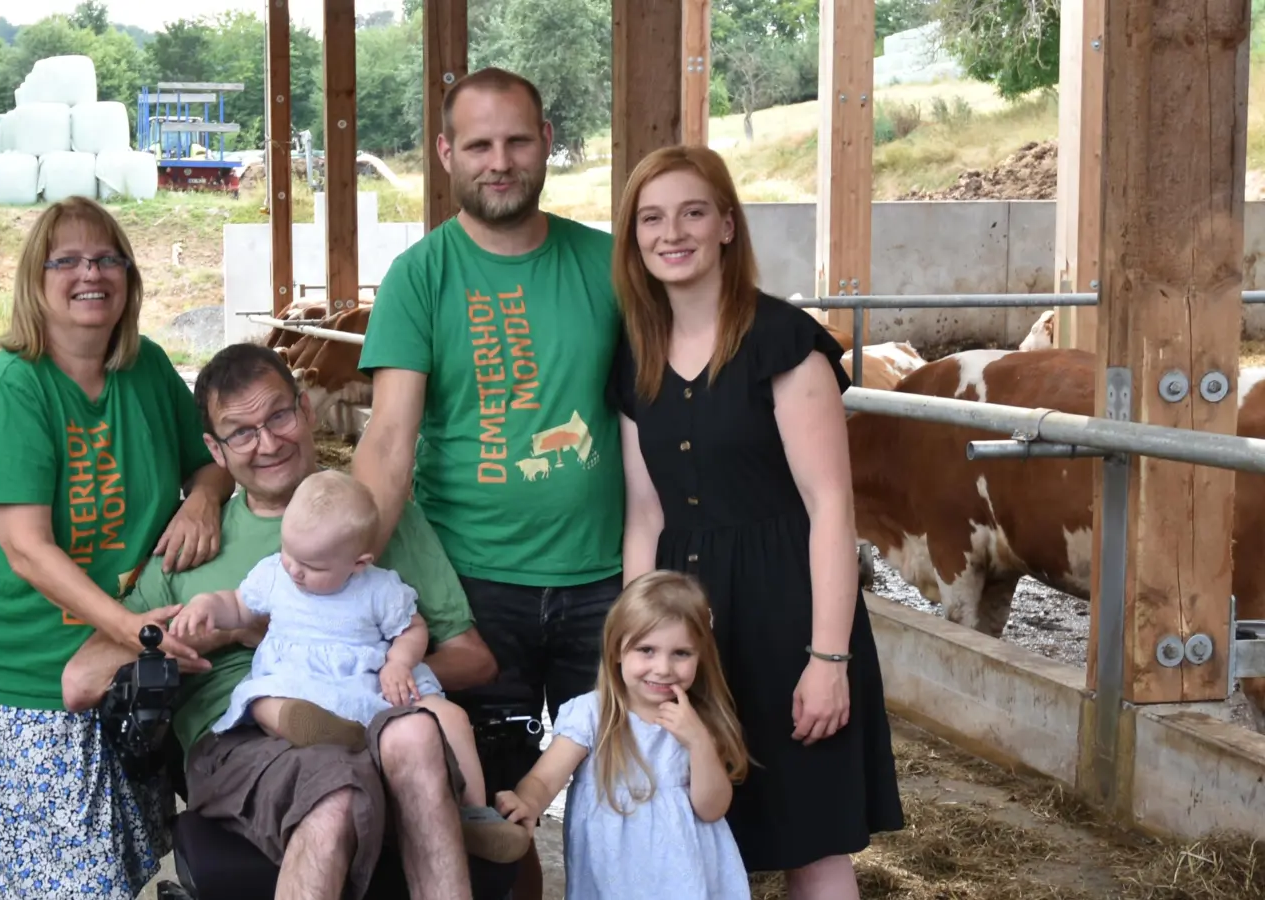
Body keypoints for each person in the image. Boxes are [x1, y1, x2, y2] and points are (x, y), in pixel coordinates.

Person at [61, 342, 507, 900]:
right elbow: (81, 681)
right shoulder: (188, 546)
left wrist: (378, 675)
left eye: (278, 416)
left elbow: (473, 657)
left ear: (307, 409)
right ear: (215, 451)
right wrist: (207, 638)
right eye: (241, 432)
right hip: (244, 741)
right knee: (334, 790)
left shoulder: (371, 518)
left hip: (377, 717)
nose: (268, 443)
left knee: (406, 741)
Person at [353, 66, 623, 896]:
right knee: (490, 819)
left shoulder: (610, 266)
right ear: (445, 153)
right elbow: (390, 441)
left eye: (516, 140)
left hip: (606, 582)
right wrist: (346, 569)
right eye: (478, 144)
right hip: (472, 589)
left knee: (627, 794)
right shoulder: (421, 276)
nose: (498, 161)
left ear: (546, 142)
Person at [608, 144, 904, 899]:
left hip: (786, 612)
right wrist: (637, 651)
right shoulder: (635, 356)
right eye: (652, 218)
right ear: (634, 237)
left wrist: (827, 658)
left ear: (727, 226)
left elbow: (831, 506)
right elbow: (645, 513)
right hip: (688, 625)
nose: (672, 232)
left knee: (810, 835)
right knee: (686, 821)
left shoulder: (784, 342)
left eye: (693, 212)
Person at [0, 195, 236, 899]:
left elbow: (214, 456)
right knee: (65, 881)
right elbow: (28, 552)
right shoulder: (9, 392)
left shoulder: (146, 371)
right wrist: (137, 633)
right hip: (32, 677)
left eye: (108, 259)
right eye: (67, 260)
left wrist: (203, 495)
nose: (91, 274)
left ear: (130, 279)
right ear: (34, 281)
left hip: (123, 662)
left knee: (118, 867)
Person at [172, 468, 532, 864]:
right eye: (289, 552)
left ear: (358, 563)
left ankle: (471, 815)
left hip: (369, 685)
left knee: (451, 717)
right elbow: (238, 605)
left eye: (311, 565)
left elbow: (412, 627)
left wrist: (399, 661)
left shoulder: (379, 588)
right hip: (300, 682)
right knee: (262, 700)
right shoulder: (276, 573)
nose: (294, 569)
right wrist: (207, 606)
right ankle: (317, 730)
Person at [494, 570, 753, 900]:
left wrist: (699, 743)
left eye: (681, 653)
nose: (662, 668)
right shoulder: (592, 714)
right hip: (614, 875)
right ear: (616, 650)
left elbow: (712, 809)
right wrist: (527, 802)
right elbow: (546, 779)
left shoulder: (697, 721)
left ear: (701, 656)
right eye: (646, 650)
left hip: (685, 879)